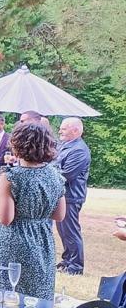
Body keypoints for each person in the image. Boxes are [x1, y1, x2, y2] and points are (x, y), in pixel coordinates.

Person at [0, 122, 67, 308]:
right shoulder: (55, 175)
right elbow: (60, 214)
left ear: (18, 145)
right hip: (43, 240)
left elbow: (6, 217)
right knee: (38, 300)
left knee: (8, 301)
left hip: (14, 241)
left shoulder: (11, 177)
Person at [56, 117, 90, 276]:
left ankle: (76, 266)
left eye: (63, 128)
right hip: (63, 195)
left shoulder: (79, 150)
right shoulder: (65, 145)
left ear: (75, 130)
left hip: (71, 196)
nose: (60, 131)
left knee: (70, 231)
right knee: (63, 231)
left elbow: (67, 174)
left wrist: (46, 174)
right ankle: (67, 260)